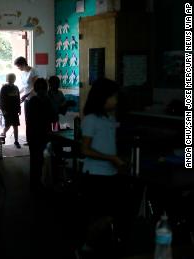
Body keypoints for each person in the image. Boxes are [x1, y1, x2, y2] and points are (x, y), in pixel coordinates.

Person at [79, 78, 128, 255]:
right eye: (112, 97)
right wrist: (111, 158)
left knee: (105, 215)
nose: (116, 100)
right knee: (104, 215)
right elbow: (85, 149)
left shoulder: (110, 117)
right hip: (95, 175)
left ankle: (96, 246)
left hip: (110, 173)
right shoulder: (91, 119)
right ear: (102, 98)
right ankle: (86, 246)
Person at [26, 78, 56, 192]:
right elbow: (52, 117)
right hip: (39, 134)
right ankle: (36, 184)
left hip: (35, 134)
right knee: (37, 160)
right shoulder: (41, 101)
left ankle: (36, 183)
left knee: (36, 160)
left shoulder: (34, 101)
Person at [14, 56, 38, 145]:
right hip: (27, 99)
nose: (18, 68)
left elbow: (36, 87)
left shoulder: (33, 71)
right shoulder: (22, 73)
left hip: (33, 98)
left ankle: (34, 140)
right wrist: (17, 93)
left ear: (23, 64)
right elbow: (24, 87)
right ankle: (29, 140)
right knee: (27, 120)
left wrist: (26, 95)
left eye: (19, 66)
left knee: (33, 120)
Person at [0, 73, 21, 148]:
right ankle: (3, 134)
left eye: (13, 78)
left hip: (15, 110)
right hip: (7, 110)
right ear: (7, 79)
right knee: (7, 125)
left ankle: (16, 141)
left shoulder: (16, 88)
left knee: (15, 126)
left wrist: (19, 109)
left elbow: (18, 99)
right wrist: (3, 109)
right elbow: (1, 100)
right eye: (10, 78)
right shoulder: (4, 88)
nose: (12, 79)